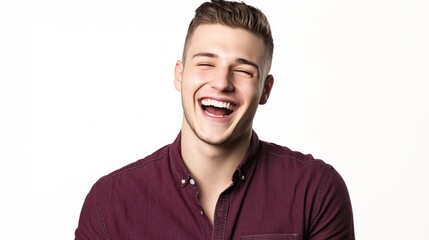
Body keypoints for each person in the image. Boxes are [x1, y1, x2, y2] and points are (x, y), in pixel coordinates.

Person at [75, 0, 355, 239]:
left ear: (265, 90)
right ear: (179, 75)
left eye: (244, 71)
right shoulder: (109, 204)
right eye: (206, 64)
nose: (222, 83)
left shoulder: (315, 191)